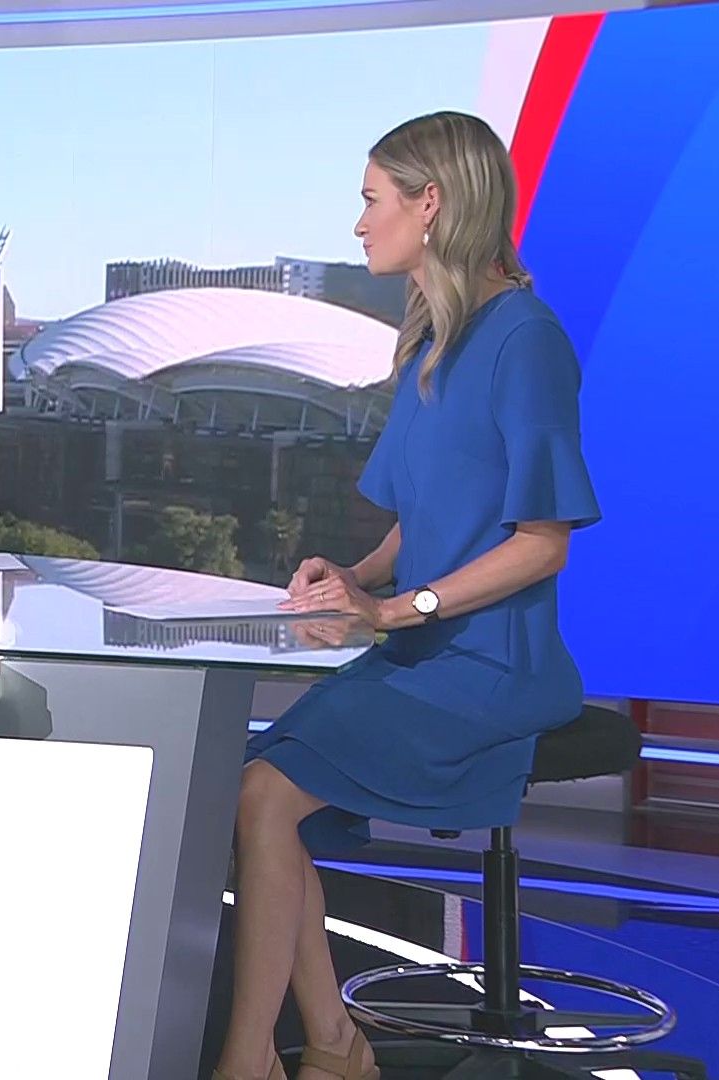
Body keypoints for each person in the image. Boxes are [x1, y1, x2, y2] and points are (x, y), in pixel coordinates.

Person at [213, 111, 601, 1080]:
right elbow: (421, 526)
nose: (358, 225)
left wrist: (393, 611)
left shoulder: (525, 340)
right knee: (254, 792)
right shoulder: (435, 340)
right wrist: (359, 577)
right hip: (421, 655)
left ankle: (257, 1059)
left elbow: (541, 543)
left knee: (263, 795)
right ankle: (332, 1046)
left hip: (492, 667)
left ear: (431, 204)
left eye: (371, 200)